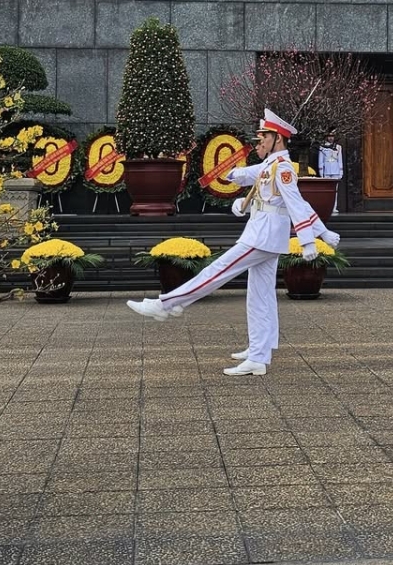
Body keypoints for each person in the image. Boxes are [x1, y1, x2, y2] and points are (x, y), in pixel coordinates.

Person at [126, 108, 340, 377]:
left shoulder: (283, 169)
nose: (258, 142)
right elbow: (252, 176)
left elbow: (297, 204)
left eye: (263, 137)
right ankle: (258, 354)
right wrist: (232, 176)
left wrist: (309, 241)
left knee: (217, 271)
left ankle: (166, 305)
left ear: (277, 138)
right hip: (265, 235)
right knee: (260, 298)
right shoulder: (270, 166)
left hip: (262, 238)